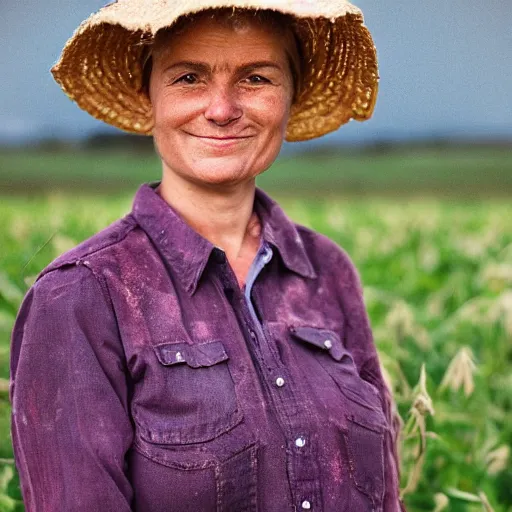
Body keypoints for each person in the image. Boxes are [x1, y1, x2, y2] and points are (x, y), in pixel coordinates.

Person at [10, 0, 406, 510]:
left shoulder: (327, 270)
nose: (221, 109)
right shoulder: (81, 294)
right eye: (189, 78)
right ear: (147, 94)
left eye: (256, 78)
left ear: (291, 95)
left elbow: (385, 496)